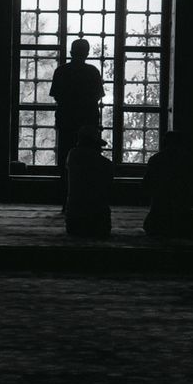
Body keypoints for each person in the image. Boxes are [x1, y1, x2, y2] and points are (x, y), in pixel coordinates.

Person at [50, 38, 104, 206]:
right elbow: (97, 96)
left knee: (66, 161)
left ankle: (65, 200)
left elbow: (57, 96)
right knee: (89, 162)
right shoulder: (92, 72)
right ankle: (88, 201)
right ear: (87, 53)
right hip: (88, 122)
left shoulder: (61, 71)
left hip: (66, 121)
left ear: (71, 52)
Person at [141, 130, 193, 238]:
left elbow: (147, 183)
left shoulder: (155, 159)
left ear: (164, 143)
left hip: (160, 210)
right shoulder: (189, 160)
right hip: (181, 207)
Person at [65, 124, 113, 238]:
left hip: (74, 222)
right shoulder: (106, 164)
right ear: (94, 144)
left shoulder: (72, 155)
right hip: (98, 224)